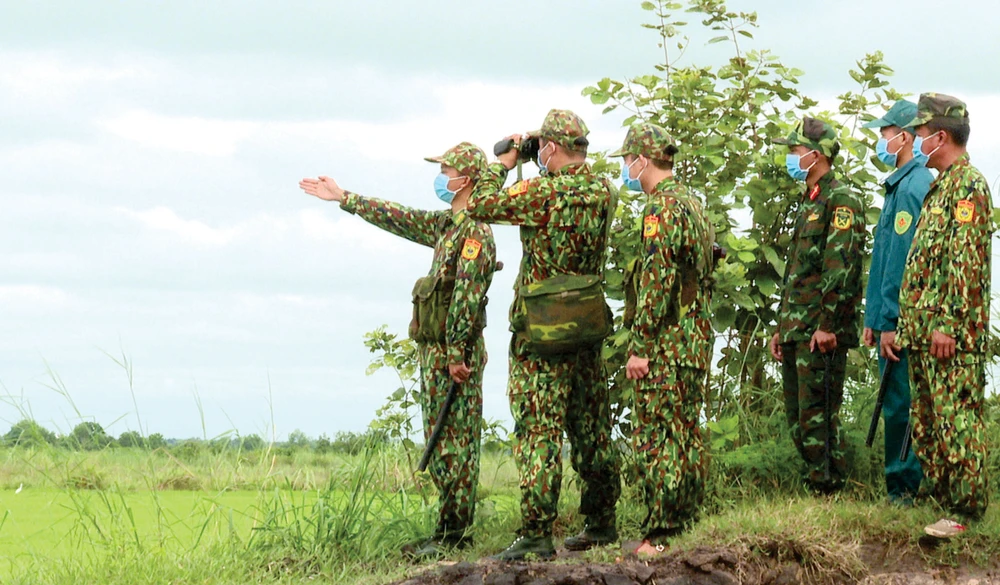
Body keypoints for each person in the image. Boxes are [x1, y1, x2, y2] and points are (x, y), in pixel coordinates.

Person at [299, 142, 497, 558]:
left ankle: (455, 535)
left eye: (446, 170)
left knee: (456, 443)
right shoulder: (448, 226)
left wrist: (457, 354)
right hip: (437, 354)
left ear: (466, 179)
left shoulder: (475, 231)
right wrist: (345, 198)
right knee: (440, 442)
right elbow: (399, 218)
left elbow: (466, 295)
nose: (440, 178)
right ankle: (447, 529)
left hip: (453, 357)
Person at [466, 109, 621, 560]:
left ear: (549, 149)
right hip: (587, 325)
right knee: (591, 424)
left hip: (541, 330)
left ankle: (537, 531)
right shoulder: (604, 191)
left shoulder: (539, 192)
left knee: (539, 430)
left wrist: (508, 160)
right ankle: (601, 519)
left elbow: (478, 203)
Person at [610, 122, 714, 555]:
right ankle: (685, 525)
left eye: (626, 160)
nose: (624, 169)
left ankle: (662, 533)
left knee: (659, 437)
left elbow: (657, 280)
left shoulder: (659, 211)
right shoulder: (694, 203)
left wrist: (641, 346)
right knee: (686, 431)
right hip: (693, 340)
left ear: (642, 160)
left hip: (665, 344)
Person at [896, 93, 993, 539]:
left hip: (948, 334)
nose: (915, 142)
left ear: (941, 136)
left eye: (919, 134)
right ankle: (945, 503)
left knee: (958, 422)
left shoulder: (969, 186)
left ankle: (966, 513)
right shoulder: (941, 187)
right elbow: (926, 266)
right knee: (931, 422)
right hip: (923, 333)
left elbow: (965, 261)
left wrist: (949, 324)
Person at [769, 117, 866, 494]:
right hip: (797, 328)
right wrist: (782, 327)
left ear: (816, 154)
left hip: (820, 331)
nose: (790, 158)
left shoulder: (841, 199)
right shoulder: (810, 201)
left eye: (794, 151)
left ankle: (829, 491)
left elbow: (838, 270)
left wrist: (828, 325)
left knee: (819, 418)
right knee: (799, 419)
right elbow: (798, 274)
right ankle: (819, 485)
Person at [860, 100, 931, 503]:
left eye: (886, 133)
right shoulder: (898, 185)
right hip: (889, 319)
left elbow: (903, 266)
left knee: (902, 407)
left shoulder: (912, 188)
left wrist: (890, 322)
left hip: (902, 324)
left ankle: (904, 492)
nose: (881, 140)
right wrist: (874, 317)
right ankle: (901, 487)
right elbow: (883, 259)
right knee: (896, 402)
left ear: (904, 137)